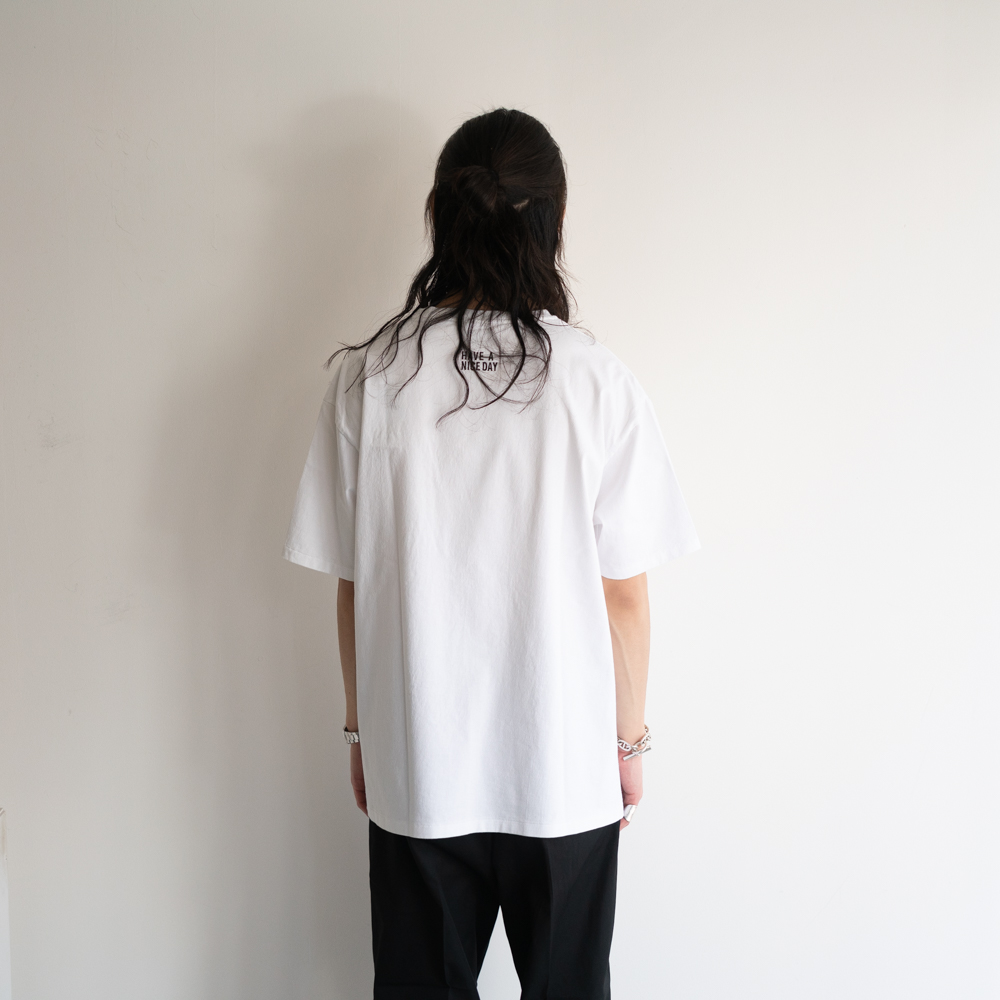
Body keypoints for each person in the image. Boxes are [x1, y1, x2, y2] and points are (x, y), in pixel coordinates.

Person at [284, 108, 699, 1000]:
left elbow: (355, 584)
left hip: (419, 765)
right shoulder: (595, 379)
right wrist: (629, 743)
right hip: (563, 769)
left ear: (439, 213)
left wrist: (362, 732)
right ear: (555, 220)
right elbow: (624, 595)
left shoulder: (369, 378)